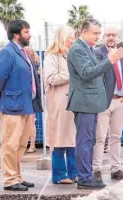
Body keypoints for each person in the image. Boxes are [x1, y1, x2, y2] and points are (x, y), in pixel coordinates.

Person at [66, 18, 123, 189]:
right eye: (95, 33)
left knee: (89, 140)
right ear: (84, 32)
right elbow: (87, 73)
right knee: (85, 140)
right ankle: (84, 178)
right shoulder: (78, 49)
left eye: (99, 33)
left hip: (90, 102)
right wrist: (110, 61)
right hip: (84, 102)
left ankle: (88, 174)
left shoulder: (87, 48)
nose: (98, 37)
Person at [0, 20, 43, 191]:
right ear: (16, 34)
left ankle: (17, 176)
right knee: (10, 144)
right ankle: (9, 179)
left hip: (26, 105)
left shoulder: (22, 52)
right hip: (11, 106)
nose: (29, 35)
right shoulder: (7, 52)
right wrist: (0, 97)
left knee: (21, 144)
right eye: (26, 31)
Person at [93, 27, 123, 180]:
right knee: (100, 137)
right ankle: (96, 169)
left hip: (120, 101)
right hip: (103, 102)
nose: (111, 38)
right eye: (108, 35)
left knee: (116, 137)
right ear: (103, 37)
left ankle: (115, 169)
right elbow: (96, 74)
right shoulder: (97, 53)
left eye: (114, 35)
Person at [44, 25, 77, 184]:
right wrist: (71, 74)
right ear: (63, 37)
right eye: (71, 37)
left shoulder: (70, 54)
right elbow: (50, 78)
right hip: (58, 103)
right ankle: (59, 174)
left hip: (72, 102)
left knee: (72, 137)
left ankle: (74, 173)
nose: (73, 40)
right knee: (59, 137)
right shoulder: (52, 56)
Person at [23, 46, 40, 153]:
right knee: (27, 122)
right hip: (24, 95)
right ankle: (27, 145)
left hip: (31, 96)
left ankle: (32, 145)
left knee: (30, 121)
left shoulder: (36, 66)